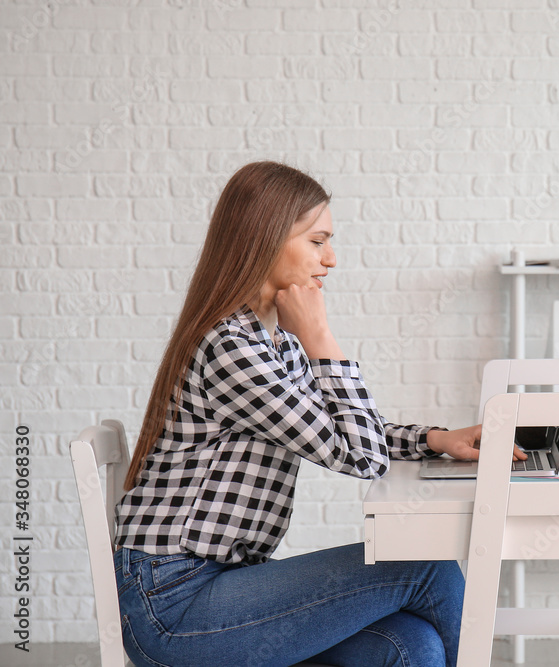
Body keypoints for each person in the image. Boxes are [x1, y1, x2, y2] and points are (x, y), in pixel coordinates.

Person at [113, 161, 525, 667]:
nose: (330, 259)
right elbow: (361, 457)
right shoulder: (231, 348)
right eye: (317, 241)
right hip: (173, 605)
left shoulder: (269, 341)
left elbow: (338, 428)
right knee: (428, 567)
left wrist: (434, 441)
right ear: (264, 239)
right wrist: (322, 339)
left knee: (414, 645)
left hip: (215, 583)